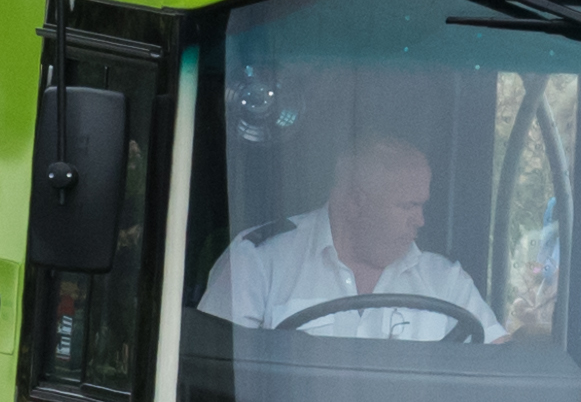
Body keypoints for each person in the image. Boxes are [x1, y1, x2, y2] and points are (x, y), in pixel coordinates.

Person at [207, 127, 492, 335]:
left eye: (422, 206)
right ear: (355, 202)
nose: (420, 221)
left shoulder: (445, 282)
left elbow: (495, 366)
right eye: (408, 206)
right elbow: (213, 386)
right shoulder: (259, 261)